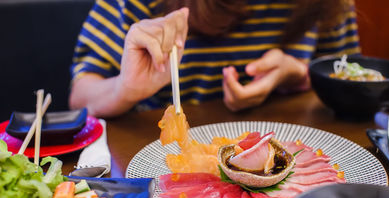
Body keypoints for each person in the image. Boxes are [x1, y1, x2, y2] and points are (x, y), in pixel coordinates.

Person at [69, 0, 360, 117]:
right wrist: (125, 89)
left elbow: (348, 82)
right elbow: (80, 97)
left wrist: (297, 74)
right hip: (152, 165)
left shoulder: (329, 4)